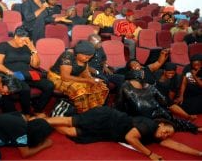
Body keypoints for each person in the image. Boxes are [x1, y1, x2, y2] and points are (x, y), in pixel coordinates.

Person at [45, 106, 202, 160]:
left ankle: (45, 118)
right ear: (160, 124)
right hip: (105, 117)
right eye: (166, 131)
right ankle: (34, 122)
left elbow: (176, 145)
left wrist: (199, 153)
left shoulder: (157, 135)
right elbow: (130, 137)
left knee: (72, 133)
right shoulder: (149, 125)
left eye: (168, 135)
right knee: (69, 122)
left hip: (107, 132)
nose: (165, 135)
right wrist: (149, 154)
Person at [0, 26, 54, 118]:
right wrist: (11, 73)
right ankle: (27, 113)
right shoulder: (3, 46)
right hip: (11, 75)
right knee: (25, 89)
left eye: (27, 41)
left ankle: (37, 109)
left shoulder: (27, 47)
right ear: (16, 36)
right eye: (23, 40)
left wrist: (33, 49)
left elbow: (35, 65)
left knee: (49, 85)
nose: (25, 43)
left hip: (27, 75)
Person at [115, 70, 200, 134]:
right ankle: (195, 128)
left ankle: (194, 127)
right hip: (152, 117)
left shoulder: (126, 87)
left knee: (170, 121)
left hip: (149, 118)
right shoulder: (149, 87)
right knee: (173, 121)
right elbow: (165, 102)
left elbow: (119, 106)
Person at [47, 40, 109, 113]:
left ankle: (93, 110)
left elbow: (84, 71)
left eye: (89, 58)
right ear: (78, 53)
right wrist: (87, 80)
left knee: (98, 86)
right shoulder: (67, 55)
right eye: (86, 57)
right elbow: (65, 77)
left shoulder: (85, 57)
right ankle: (82, 112)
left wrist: (92, 79)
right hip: (58, 78)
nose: (87, 59)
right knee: (81, 91)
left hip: (73, 77)